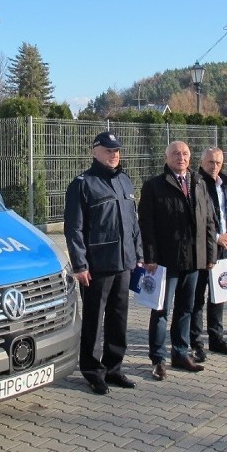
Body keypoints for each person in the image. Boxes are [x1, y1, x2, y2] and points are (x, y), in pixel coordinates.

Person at [64, 131, 143, 395]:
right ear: (94, 151)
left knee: (118, 319)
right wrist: (80, 264)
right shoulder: (83, 184)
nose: (114, 154)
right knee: (94, 321)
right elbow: (73, 229)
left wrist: (138, 254)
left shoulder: (124, 181)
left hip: (124, 262)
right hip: (97, 266)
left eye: (117, 150)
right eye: (109, 150)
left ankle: (113, 368)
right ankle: (92, 371)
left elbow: (134, 223)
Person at [138, 141, 216, 381]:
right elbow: (146, 225)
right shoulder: (153, 186)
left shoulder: (199, 183)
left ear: (190, 157)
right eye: (175, 154)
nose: (180, 157)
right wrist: (149, 256)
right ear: (166, 157)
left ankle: (181, 354)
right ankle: (158, 358)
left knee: (186, 309)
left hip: (194, 260)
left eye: (184, 154)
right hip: (165, 260)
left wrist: (210, 255)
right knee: (161, 310)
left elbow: (210, 221)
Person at [191, 147, 227, 360]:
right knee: (197, 299)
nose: (214, 166)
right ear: (201, 163)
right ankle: (195, 342)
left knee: (219, 295)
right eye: (210, 162)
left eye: (218, 162)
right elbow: (195, 220)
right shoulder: (196, 185)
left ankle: (216, 338)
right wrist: (216, 237)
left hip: (225, 249)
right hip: (203, 250)